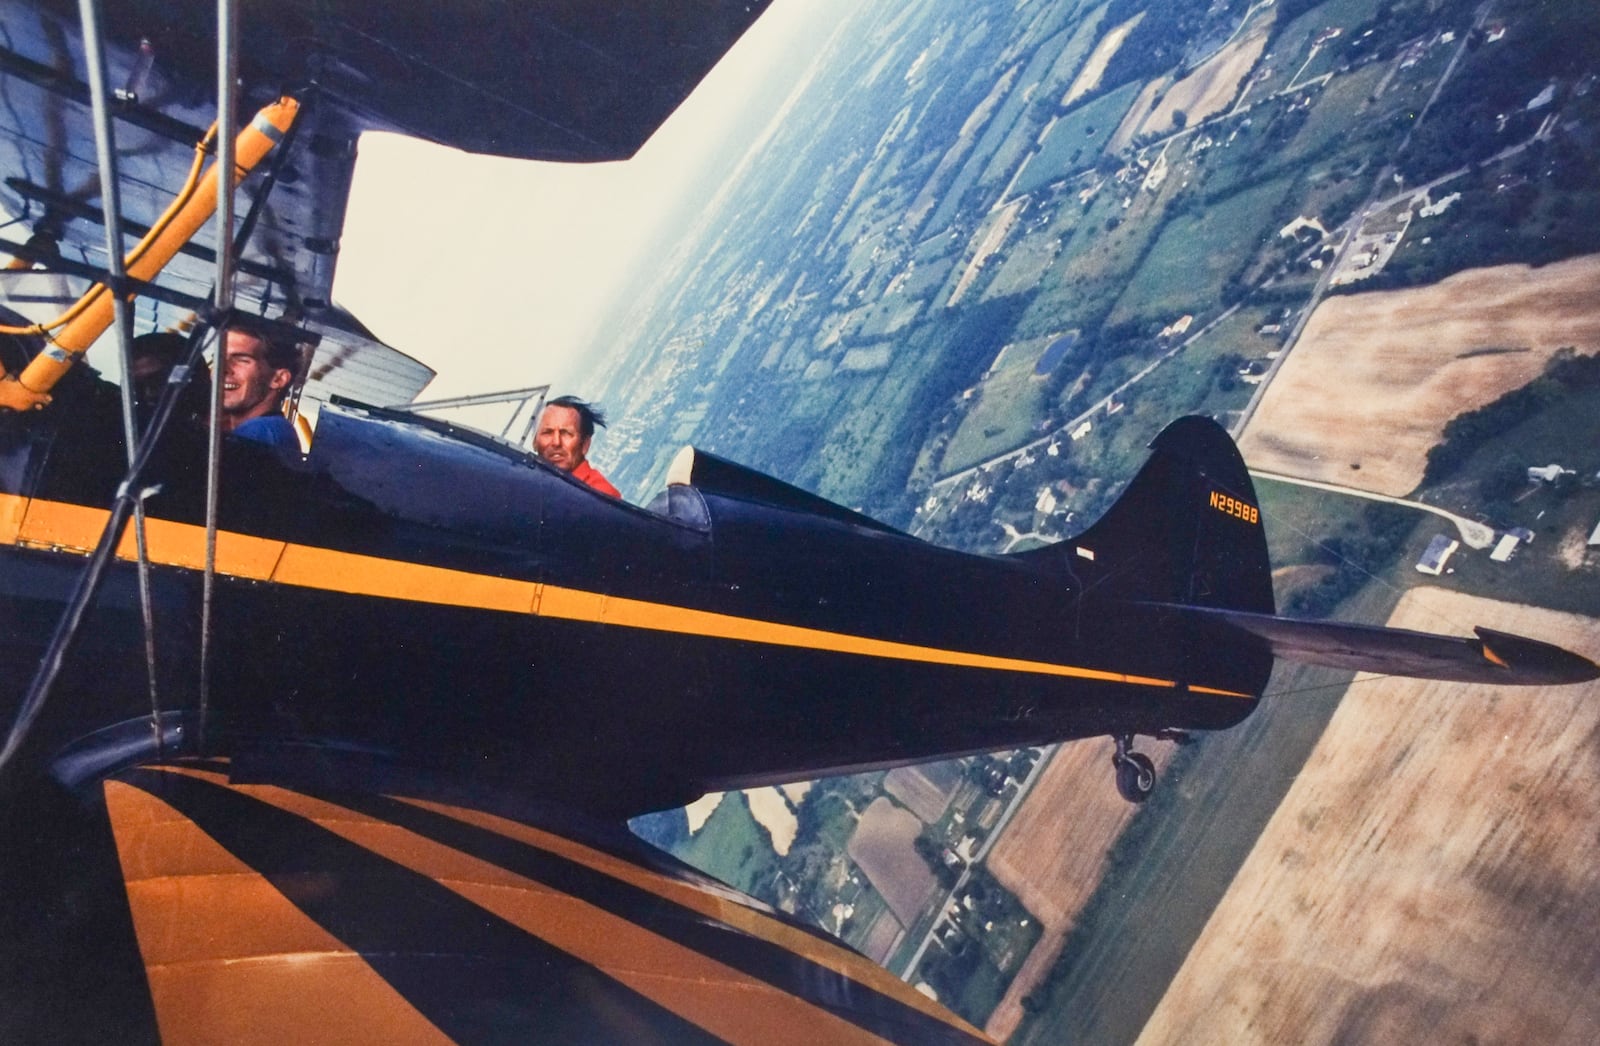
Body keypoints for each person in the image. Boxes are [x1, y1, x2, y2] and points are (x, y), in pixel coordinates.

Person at [219, 321, 301, 453]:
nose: (221, 369)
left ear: (278, 379)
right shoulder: (268, 429)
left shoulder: (262, 432)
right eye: (218, 358)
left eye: (242, 360)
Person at [533, 395, 620, 497]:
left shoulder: (602, 494)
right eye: (547, 432)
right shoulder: (531, 483)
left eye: (566, 433)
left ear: (585, 444)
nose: (556, 442)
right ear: (535, 443)